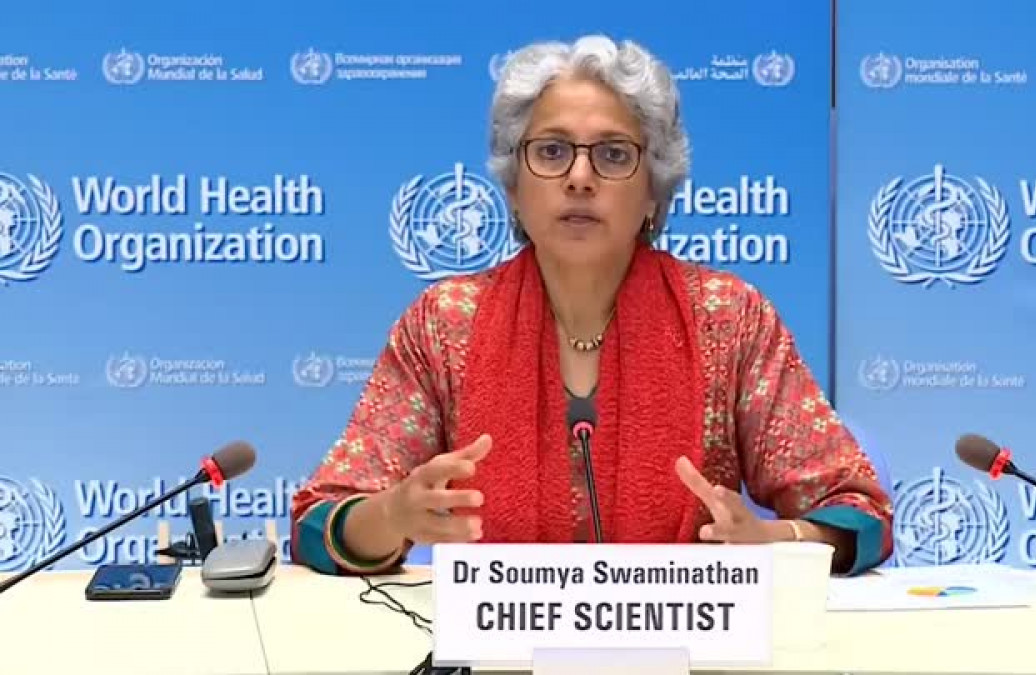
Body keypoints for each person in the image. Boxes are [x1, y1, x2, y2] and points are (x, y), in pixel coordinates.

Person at [290, 35, 893, 578]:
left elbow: (859, 514)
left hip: (689, 645)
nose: (580, 177)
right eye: (552, 152)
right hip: (497, 646)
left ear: (654, 191)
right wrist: (392, 514)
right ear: (513, 188)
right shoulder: (446, 323)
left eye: (613, 155)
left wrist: (777, 540)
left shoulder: (727, 318)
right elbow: (319, 523)